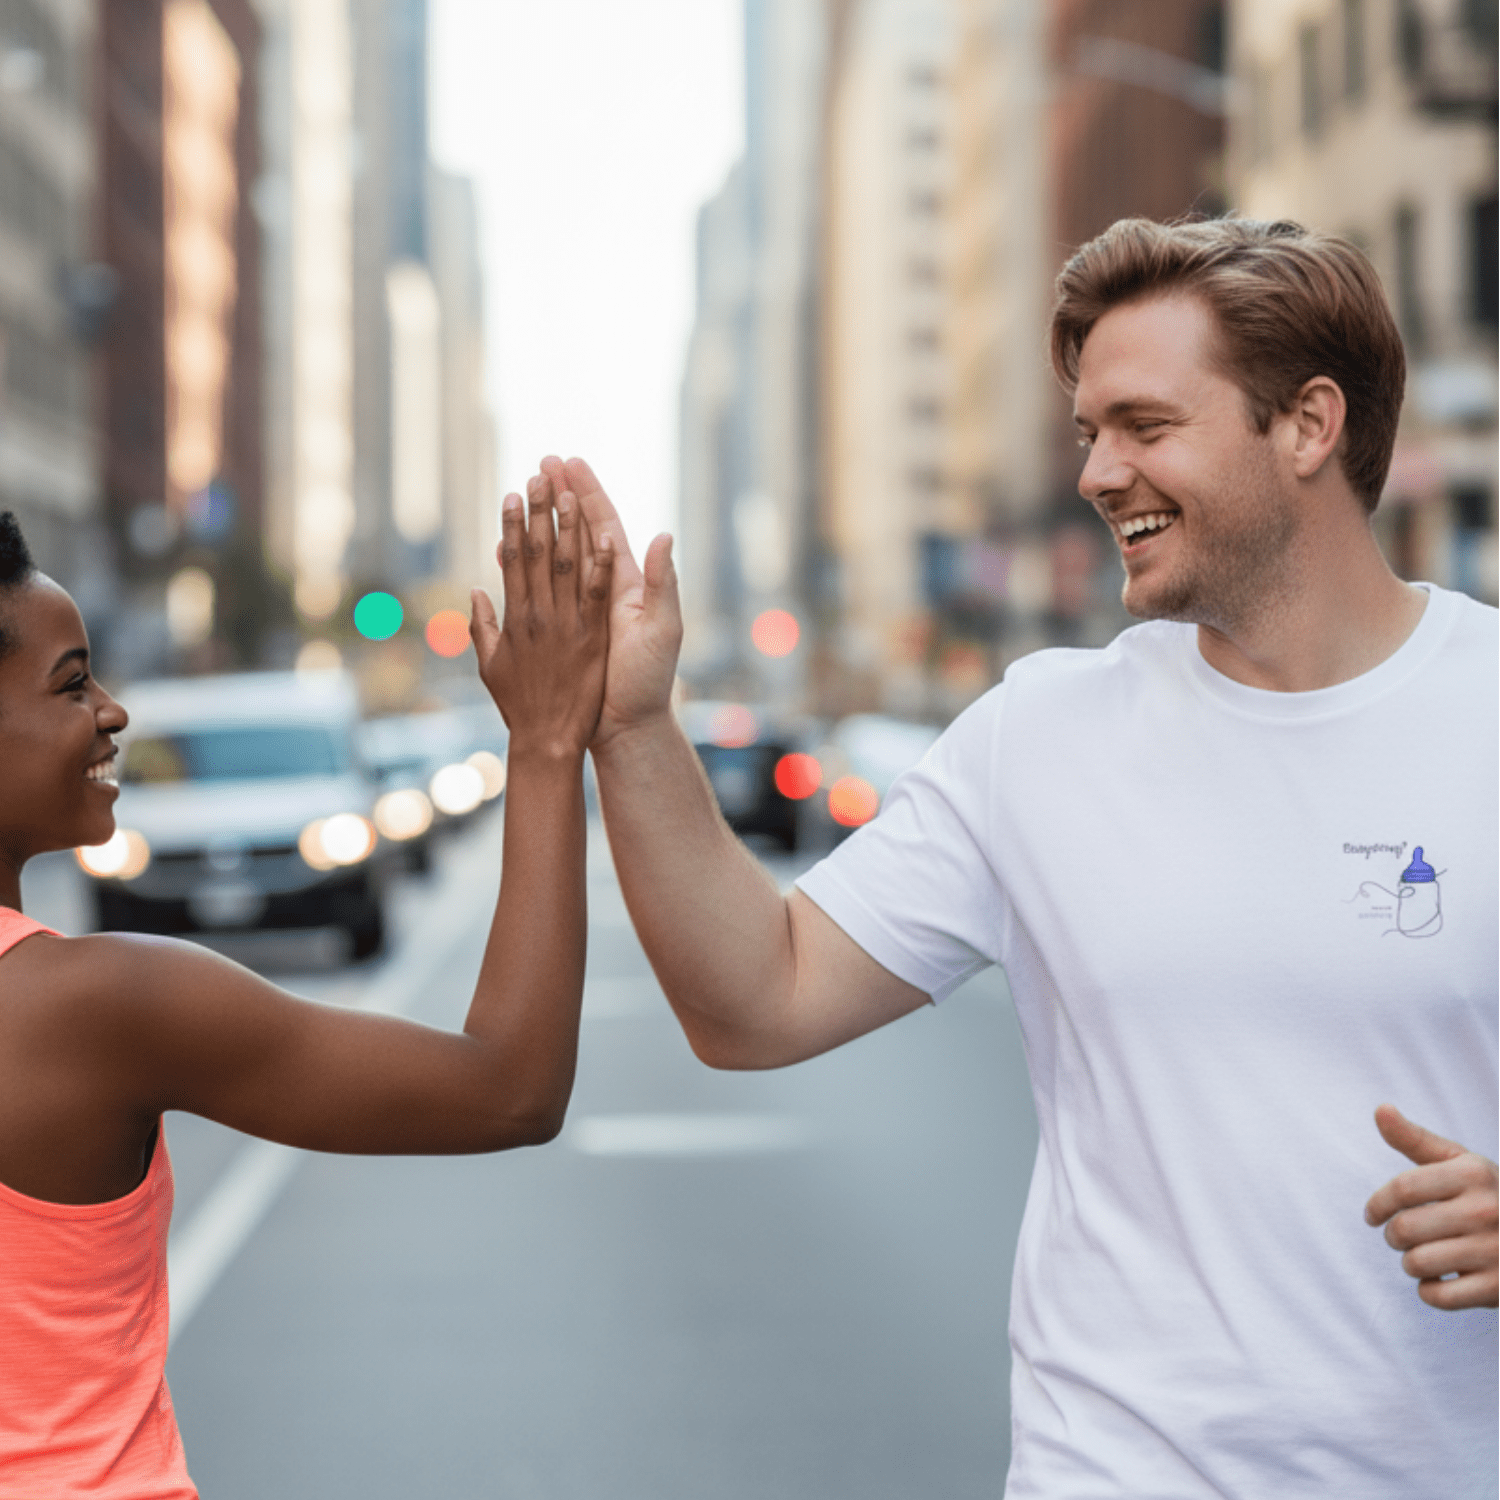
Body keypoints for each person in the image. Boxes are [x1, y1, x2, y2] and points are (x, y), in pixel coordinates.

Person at [544, 217, 1497, 1496]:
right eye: (1089, 431)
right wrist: (633, 725)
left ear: (1309, 426)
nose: (1101, 472)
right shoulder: (1037, 736)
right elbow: (752, 1000)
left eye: (1146, 426)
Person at [0, 482, 611, 1497]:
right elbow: (511, 1085)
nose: (112, 713)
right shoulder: (93, 1009)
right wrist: (546, 744)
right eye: (70, 686)